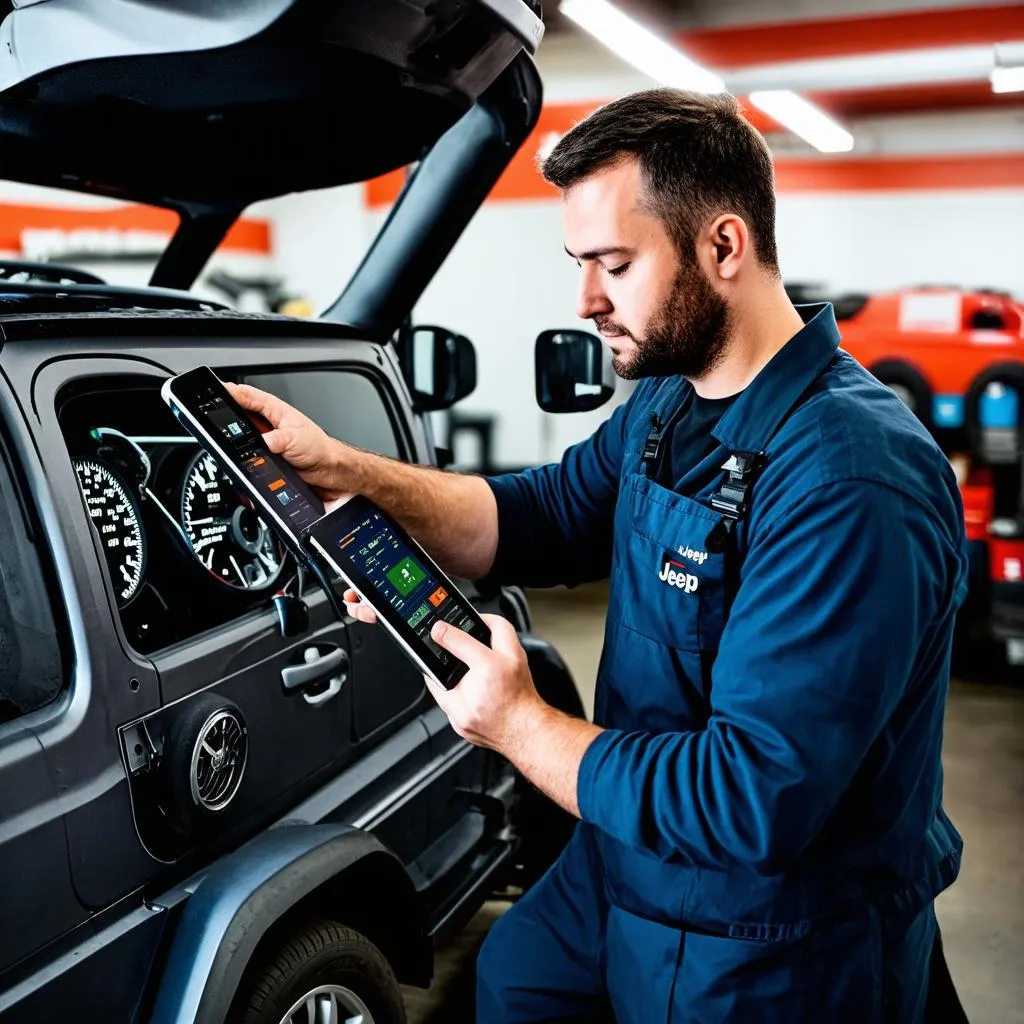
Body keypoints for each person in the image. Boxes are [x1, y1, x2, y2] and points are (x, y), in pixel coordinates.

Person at [229, 89, 967, 1024]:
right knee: (516, 982)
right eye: (580, 264)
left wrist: (517, 724)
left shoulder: (851, 481)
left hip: (772, 933)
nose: (584, 301)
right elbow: (526, 518)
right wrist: (349, 471)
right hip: (626, 855)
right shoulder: (668, 400)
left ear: (723, 247)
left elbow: (751, 801)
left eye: (613, 264)